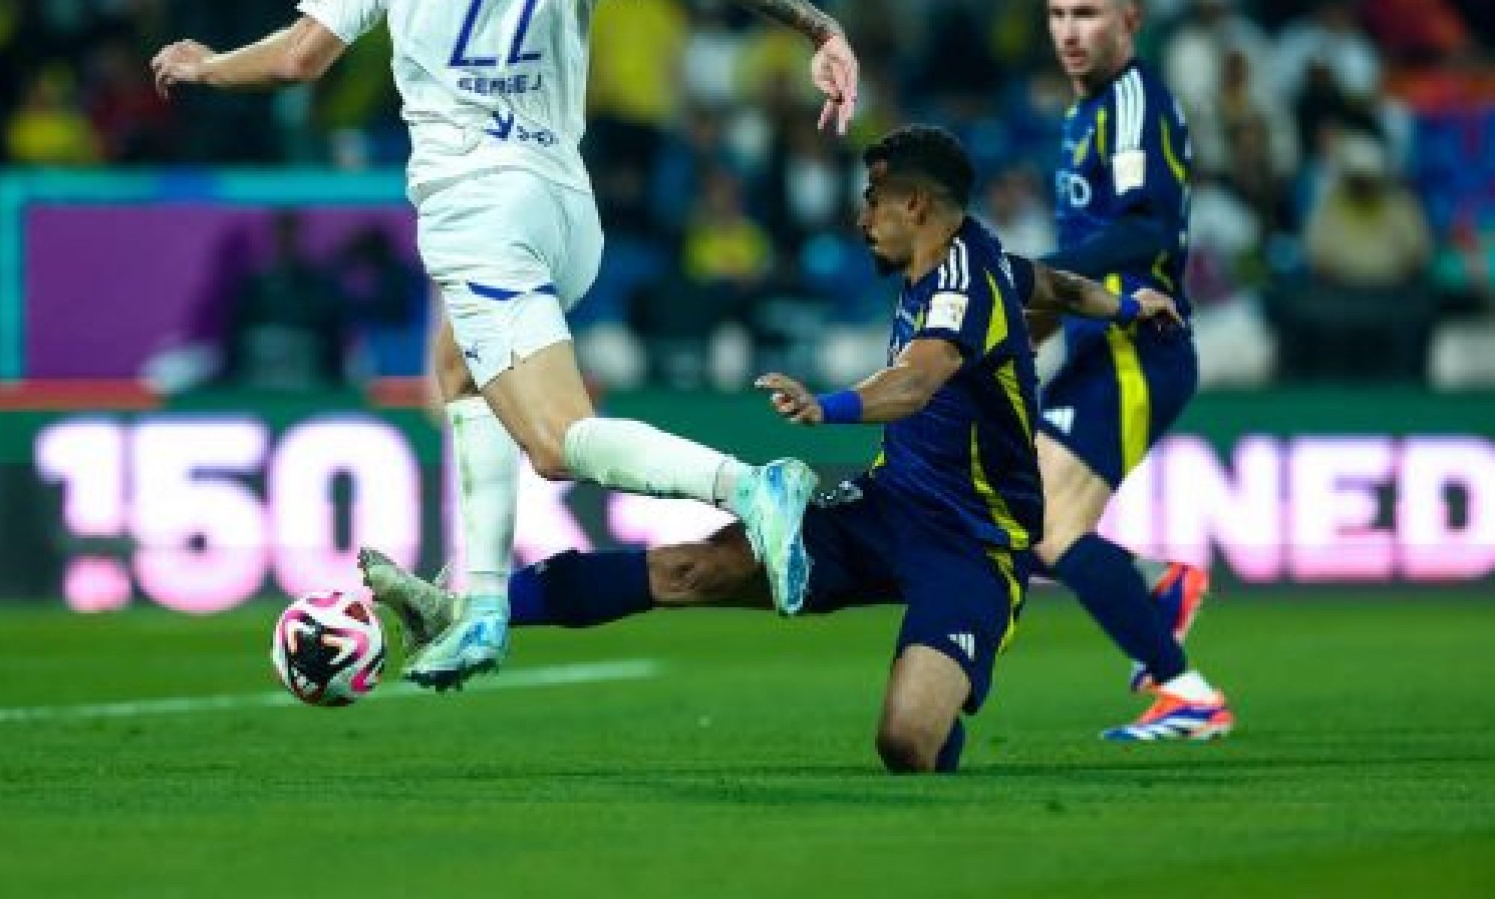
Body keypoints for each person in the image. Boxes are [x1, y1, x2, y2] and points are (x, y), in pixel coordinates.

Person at [151, 0, 861, 690]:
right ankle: (480, 601)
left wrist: (209, 66)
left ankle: (749, 485)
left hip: (480, 210)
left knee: (559, 443)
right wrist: (822, 27)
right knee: (457, 368)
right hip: (567, 210)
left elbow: (299, 58)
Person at [363, 126, 1185, 772]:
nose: (862, 217)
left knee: (904, 743)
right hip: (886, 505)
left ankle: (937, 713)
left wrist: (824, 406)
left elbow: (915, 383)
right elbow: (1055, 284)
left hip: (975, 547)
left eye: (875, 201)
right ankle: (482, 605)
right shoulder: (987, 260)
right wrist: (1125, 304)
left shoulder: (965, 285)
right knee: (690, 568)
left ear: (922, 208)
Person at [1039, 0, 1232, 740]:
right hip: (1099, 345)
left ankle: (1189, 695)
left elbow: (1145, 225)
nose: (1069, 31)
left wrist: (1038, 278)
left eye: (1087, 13)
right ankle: (1160, 582)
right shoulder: (1084, 110)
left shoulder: (1129, 102)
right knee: (1019, 518)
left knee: (1051, 529)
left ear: (1130, 19)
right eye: (1057, 14)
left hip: (1134, 346)